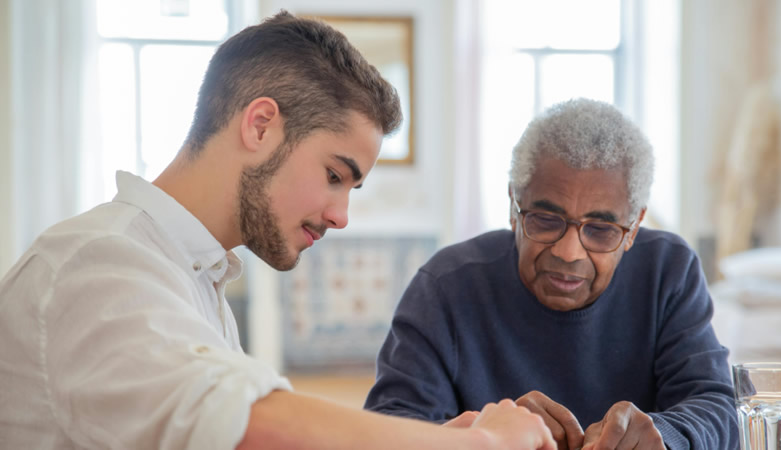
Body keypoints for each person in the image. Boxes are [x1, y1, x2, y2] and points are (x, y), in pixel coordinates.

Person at [0, 11, 556, 450]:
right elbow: (245, 426)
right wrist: (479, 443)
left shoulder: (192, 276)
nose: (341, 216)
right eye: (334, 175)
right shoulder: (95, 262)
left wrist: (430, 438)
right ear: (261, 124)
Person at [364, 98, 739, 450]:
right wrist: (489, 433)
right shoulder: (446, 286)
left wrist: (664, 434)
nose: (568, 252)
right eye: (545, 219)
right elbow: (388, 427)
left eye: (601, 229)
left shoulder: (668, 271)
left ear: (634, 227)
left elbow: (717, 407)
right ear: (513, 207)